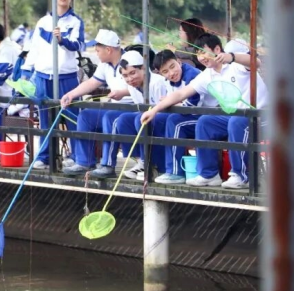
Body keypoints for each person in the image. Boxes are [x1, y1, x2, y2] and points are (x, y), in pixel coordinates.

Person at [140, 33, 267, 189]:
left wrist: (232, 57)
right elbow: (180, 93)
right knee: (205, 121)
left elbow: (256, 62)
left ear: (217, 49)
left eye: (204, 52)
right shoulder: (207, 75)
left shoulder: (236, 65)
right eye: (198, 54)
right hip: (234, 117)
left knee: (236, 121)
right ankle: (209, 174)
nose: (201, 58)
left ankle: (242, 176)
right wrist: (154, 110)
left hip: (260, 116)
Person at [21, 0, 85, 169]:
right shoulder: (43, 22)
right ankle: (44, 156)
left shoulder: (75, 22)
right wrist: (26, 71)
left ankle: (76, 156)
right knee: (45, 118)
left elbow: (79, 45)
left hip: (67, 76)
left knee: (73, 117)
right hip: (43, 76)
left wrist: (62, 40)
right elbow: (34, 48)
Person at [59, 29, 133, 175]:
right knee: (85, 116)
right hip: (115, 107)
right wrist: (71, 94)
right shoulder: (105, 64)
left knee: (109, 117)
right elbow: (92, 82)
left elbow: (143, 86)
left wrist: (123, 93)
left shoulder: (131, 60)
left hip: (132, 108)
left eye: (98, 50)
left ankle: (107, 165)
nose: (96, 53)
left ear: (108, 50)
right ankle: (84, 162)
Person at [88, 50, 168, 179]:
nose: (130, 79)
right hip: (149, 117)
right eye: (125, 75)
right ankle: (141, 160)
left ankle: (154, 164)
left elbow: (164, 108)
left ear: (143, 68)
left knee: (139, 119)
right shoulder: (132, 86)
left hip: (165, 118)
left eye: (133, 73)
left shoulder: (157, 83)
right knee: (124, 119)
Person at [150, 49, 206, 184]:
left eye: (172, 66)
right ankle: (159, 167)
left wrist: (171, 101)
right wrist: (172, 102)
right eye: (165, 71)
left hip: (205, 117)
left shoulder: (191, 75)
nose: (171, 73)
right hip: (190, 116)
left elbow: (192, 106)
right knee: (156, 119)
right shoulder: (168, 81)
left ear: (179, 62)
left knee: (175, 122)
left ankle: (175, 172)